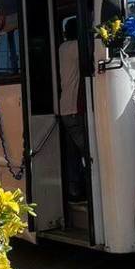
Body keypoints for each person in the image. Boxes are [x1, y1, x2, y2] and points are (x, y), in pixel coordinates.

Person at [56, 16, 87, 202]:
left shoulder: (62, 48)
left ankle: (74, 191)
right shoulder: (76, 47)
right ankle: (87, 189)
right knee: (87, 152)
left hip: (65, 107)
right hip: (76, 107)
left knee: (72, 154)